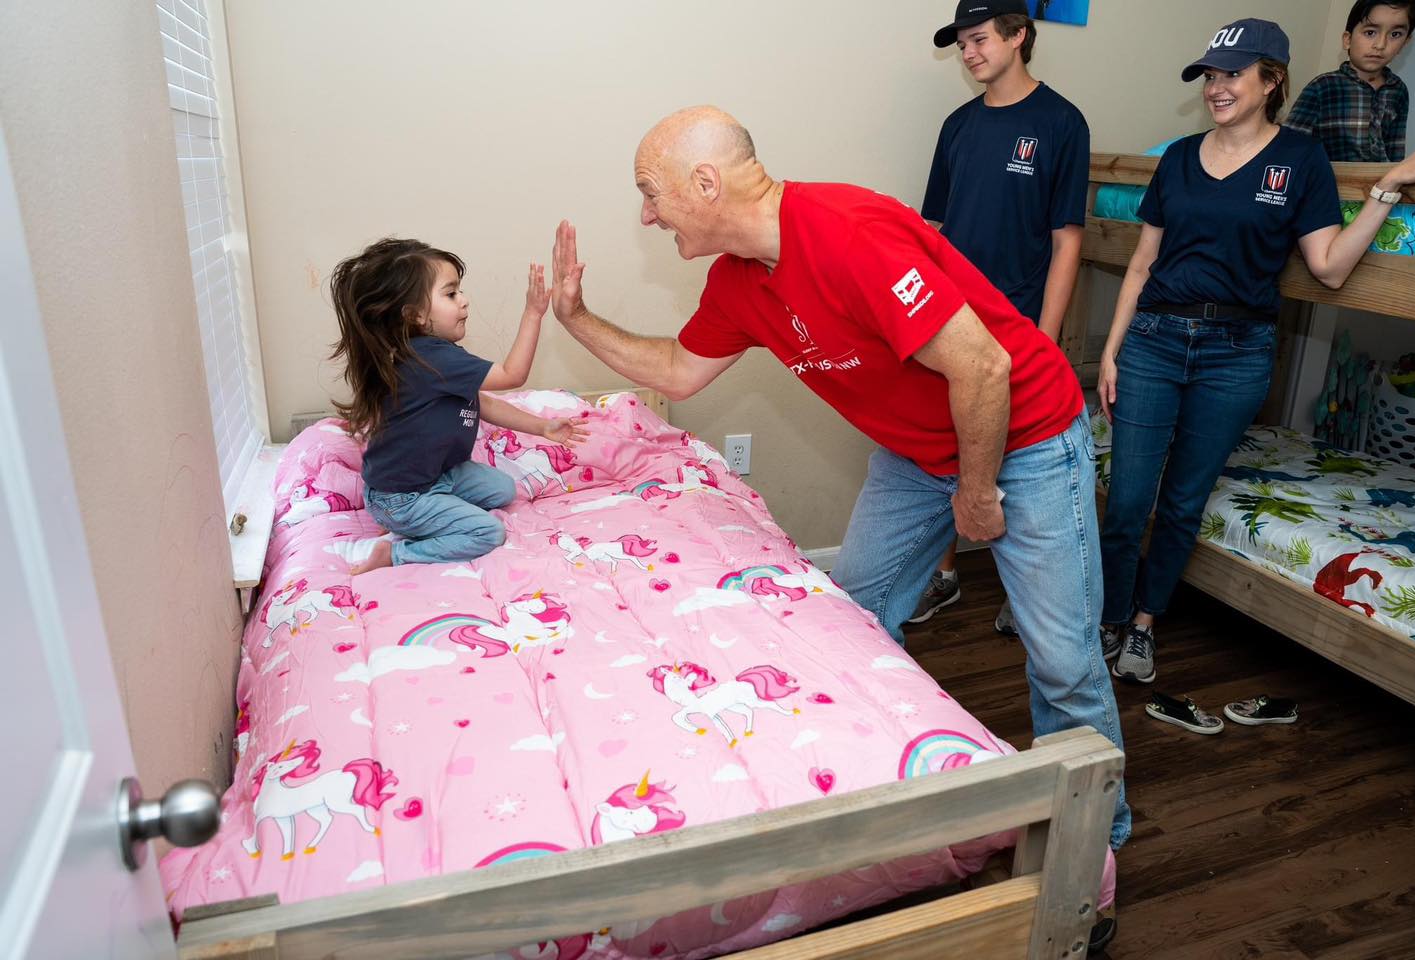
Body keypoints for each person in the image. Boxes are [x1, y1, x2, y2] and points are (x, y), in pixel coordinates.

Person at [546, 107, 1131, 861]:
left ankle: (1093, 846)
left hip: (1025, 436)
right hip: (917, 454)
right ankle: (853, 787)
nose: (648, 215)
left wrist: (978, 494)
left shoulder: (849, 232)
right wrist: (575, 317)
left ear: (705, 181)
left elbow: (984, 366)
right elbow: (675, 373)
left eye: (651, 193)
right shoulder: (737, 282)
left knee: (1062, 661)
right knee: (845, 620)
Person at [1097, 19, 1415, 684]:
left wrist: (1385, 189)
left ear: (1271, 79)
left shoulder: (1301, 162)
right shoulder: (1177, 160)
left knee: (1182, 502)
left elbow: (1330, 267)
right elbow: (1140, 266)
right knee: (1129, 499)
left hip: (1237, 352)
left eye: (1232, 75)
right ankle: (1110, 616)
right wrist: (1111, 352)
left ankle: (1143, 625)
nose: (1217, 89)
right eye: (1210, 77)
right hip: (1155, 342)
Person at [911, 0, 1090, 629]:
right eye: (961, 42)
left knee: (1022, 457)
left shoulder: (1062, 123)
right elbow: (930, 228)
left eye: (979, 38)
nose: (969, 51)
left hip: (1015, 320)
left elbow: (1067, 239)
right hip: (947, 318)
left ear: (1018, 36)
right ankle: (944, 574)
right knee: (946, 446)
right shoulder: (958, 125)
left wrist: (1045, 337)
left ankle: (1028, 592)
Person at [330, 237, 587, 574]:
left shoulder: (435, 357)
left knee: (503, 489)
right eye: (451, 294)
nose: (464, 301)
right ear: (416, 315)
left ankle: (416, 520)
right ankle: (394, 553)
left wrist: (542, 426)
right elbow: (513, 375)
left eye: (459, 291)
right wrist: (533, 313)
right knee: (487, 531)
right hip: (403, 496)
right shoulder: (431, 359)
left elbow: (480, 403)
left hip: (440, 475)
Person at [1285, 0, 1415, 162]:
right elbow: (1289, 145)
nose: (1380, 45)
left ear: (1405, 43)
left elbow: (1395, 151)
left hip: (1380, 183)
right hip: (1328, 183)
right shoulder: (1323, 86)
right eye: (1370, 32)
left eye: (1395, 34)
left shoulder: (1399, 91)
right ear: (1347, 39)